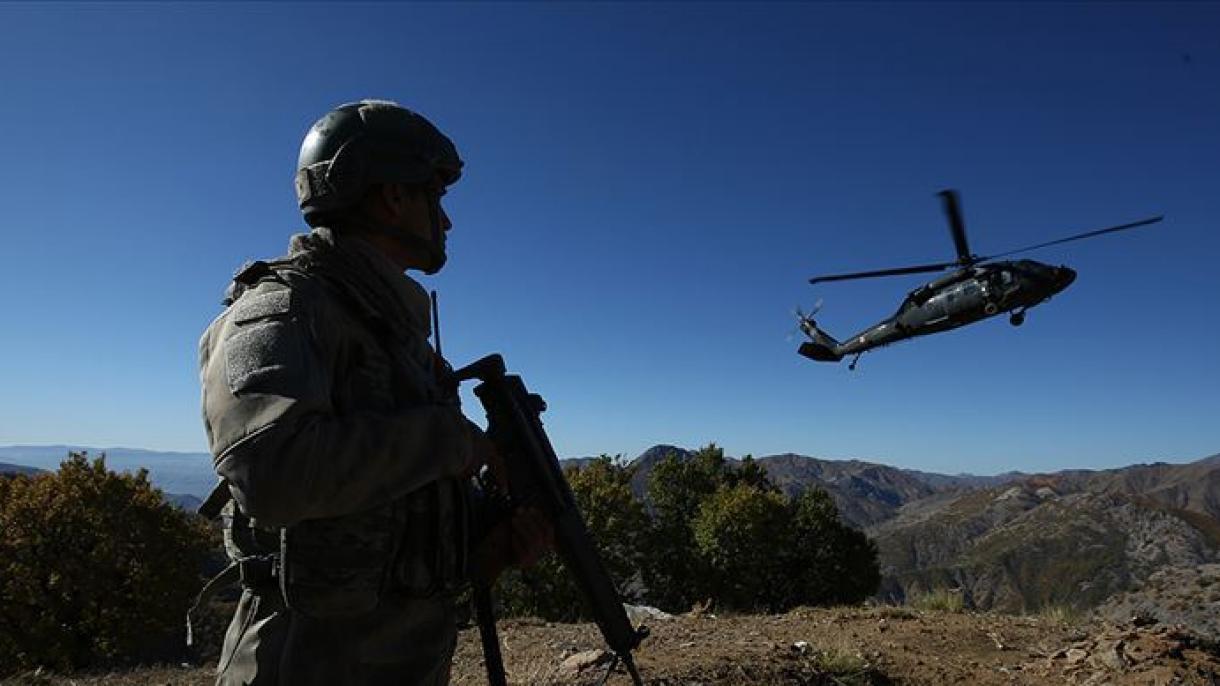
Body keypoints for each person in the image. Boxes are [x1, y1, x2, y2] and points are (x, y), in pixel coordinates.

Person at [197, 100, 550, 685]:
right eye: (434, 198)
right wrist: (452, 440)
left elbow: (390, 506)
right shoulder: (282, 311)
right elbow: (273, 473)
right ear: (393, 194)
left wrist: (487, 541)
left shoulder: (396, 337)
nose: (447, 221)